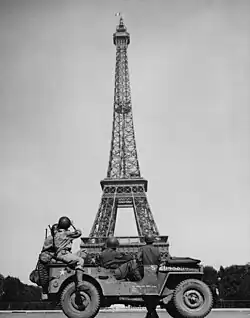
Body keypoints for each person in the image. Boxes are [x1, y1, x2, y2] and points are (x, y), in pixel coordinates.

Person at [54, 216, 86, 290]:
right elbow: (79, 233)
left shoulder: (56, 233)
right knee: (80, 260)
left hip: (61, 254)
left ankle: (70, 265)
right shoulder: (67, 233)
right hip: (64, 254)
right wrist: (72, 225)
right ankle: (80, 283)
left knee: (81, 253)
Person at [137, 233, 161, 318]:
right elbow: (159, 260)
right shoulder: (156, 249)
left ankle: (150, 311)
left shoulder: (142, 248)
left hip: (145, 270)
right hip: (154, 270)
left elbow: (138, 258)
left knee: (146, 293)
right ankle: (152, 311)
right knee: (153, 292)